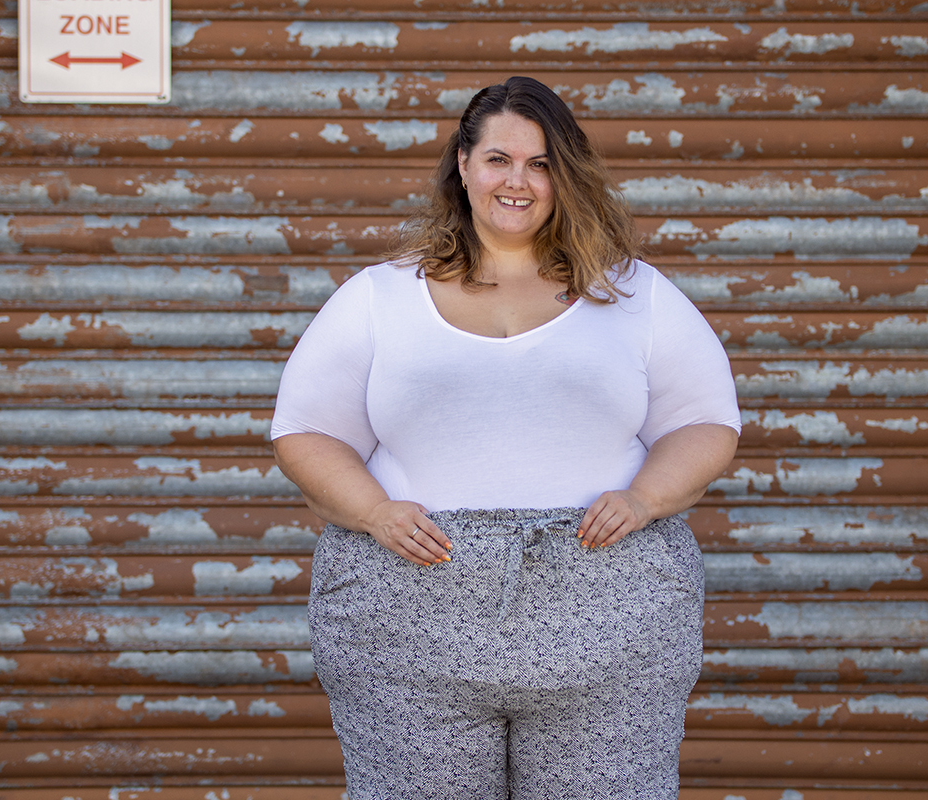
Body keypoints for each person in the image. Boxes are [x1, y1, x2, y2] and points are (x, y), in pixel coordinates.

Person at [271, 76, 740, 799]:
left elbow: (705, 422)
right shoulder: (379, 296)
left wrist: (646, 499)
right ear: (463, 165)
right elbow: (305, 431)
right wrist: (372, 512)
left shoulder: (633, 294)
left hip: (608, 630)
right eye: (499, 159)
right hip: (409, 630)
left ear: (565, 175)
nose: (517, 181)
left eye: (541, 163)